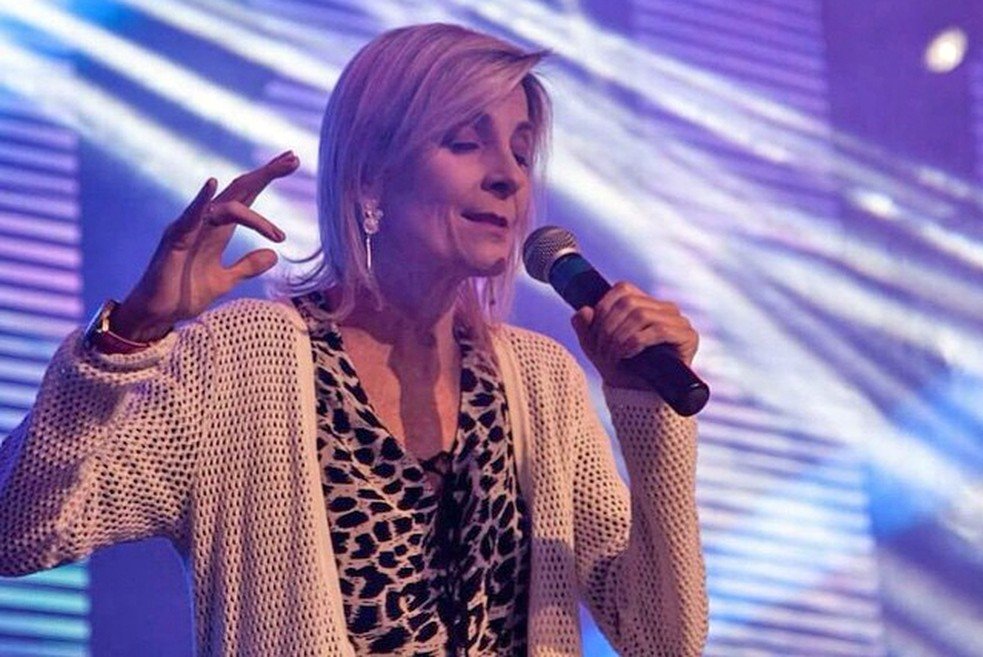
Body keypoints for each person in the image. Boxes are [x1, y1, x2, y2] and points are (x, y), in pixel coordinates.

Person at [0, 23, 707, 657]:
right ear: (370, 175)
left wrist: (648, 406)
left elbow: (662, 641)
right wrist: (130, 334)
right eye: (466, 143)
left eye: (521, 153)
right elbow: (19, 531)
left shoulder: (541, 381)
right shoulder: (242, 363)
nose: (507, 176)